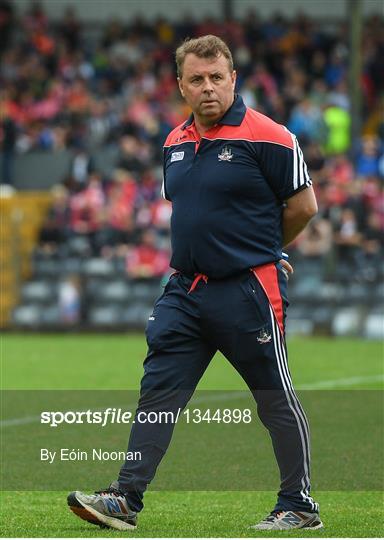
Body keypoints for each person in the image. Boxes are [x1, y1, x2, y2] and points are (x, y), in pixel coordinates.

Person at [67, 35, 322, 532]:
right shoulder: (173, 143)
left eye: (217, 78)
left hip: (247, 290)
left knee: (274, 398)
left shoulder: (270, 136)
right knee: (157, 395)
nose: (208, 88)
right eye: (197, 79)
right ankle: (125, 498)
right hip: (184, 290)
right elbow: (190, 211)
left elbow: (304, 206)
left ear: (233, 79)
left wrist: (269, 251)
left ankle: (299, 504)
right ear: (181, 86)